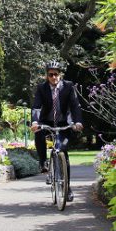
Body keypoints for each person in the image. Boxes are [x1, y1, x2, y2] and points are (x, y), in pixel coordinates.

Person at [30, 60, 83, 202]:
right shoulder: (42, 88)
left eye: (56, 74)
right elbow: (36, 107)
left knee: (63, 152)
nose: (54, 77)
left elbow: (75, 106)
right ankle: (43, 162)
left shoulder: (68, 86)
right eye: (50, 75)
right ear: (47, 76)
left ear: (60, 74)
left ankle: (67, 188)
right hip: (46, 121)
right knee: (39, 133)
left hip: (63, 123)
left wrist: (78, 122)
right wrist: (35, 122)